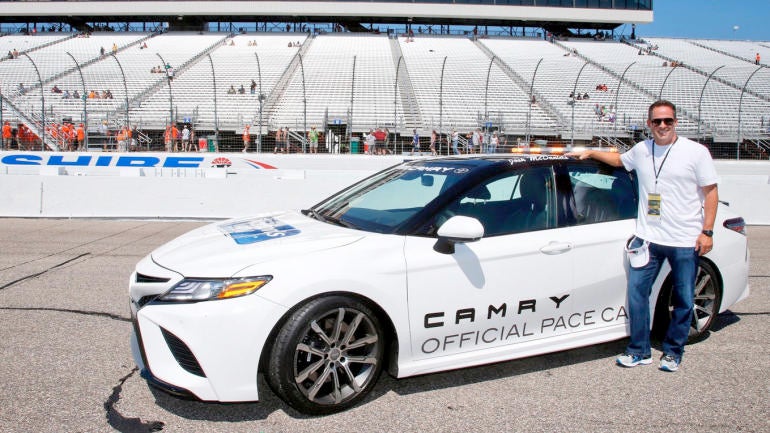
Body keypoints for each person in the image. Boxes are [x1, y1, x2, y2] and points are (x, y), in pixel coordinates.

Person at [567, 100, 718, 373]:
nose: (662, 126)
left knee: (684, 298)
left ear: (676, 123)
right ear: (649, 124)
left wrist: (707, 232)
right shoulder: (641, 150)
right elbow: (618, 160)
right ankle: (639, 350)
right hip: (648, 237)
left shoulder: (696, 152)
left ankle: (673, 351)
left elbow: (710, 192)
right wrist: (591, 152)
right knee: (637, 294)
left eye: (668, 121)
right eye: (657, 121)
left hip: (684, 239)